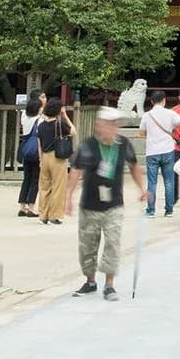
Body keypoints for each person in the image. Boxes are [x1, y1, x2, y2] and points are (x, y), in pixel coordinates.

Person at [66, 107, 148, 302]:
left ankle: (109, 284)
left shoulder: (124, 144)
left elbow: (134, 166)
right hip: (89, 204)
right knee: (87, 246)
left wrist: (142, 189)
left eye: (115, 124)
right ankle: (90, 281)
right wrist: (68, 197)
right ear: (99, 126)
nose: (112, 128)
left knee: (113, 242)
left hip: (114, 205)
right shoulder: (88, 146)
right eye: (108, 124)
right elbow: (76, 171)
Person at [140, 90, 180, 217]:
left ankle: (151, 210)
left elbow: (141, 133)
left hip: (152, 152)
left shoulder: (147, 115)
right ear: (164, 100)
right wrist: (172, 129)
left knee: (152, 182)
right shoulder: (170, 113)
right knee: (169, 181)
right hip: (167, 150)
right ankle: (169, 210)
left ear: (151, 101)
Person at [35, 98, 76, 226]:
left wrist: (40, 159)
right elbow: (73, 131)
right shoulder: (59, 124)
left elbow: (39, 144)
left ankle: (43, 215)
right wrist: (65, 116)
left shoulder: (41, 125)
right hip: (57, 157)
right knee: (58, 186)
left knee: (44, 187)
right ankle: (54, 216)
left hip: (44, 157)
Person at [17, 94, 45, 217]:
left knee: (26, 179)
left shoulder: (24, 117)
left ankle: (22, 206)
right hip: (35, 151)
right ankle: (32, 207)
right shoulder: (39, 120)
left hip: (26, 149)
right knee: (35, 179)